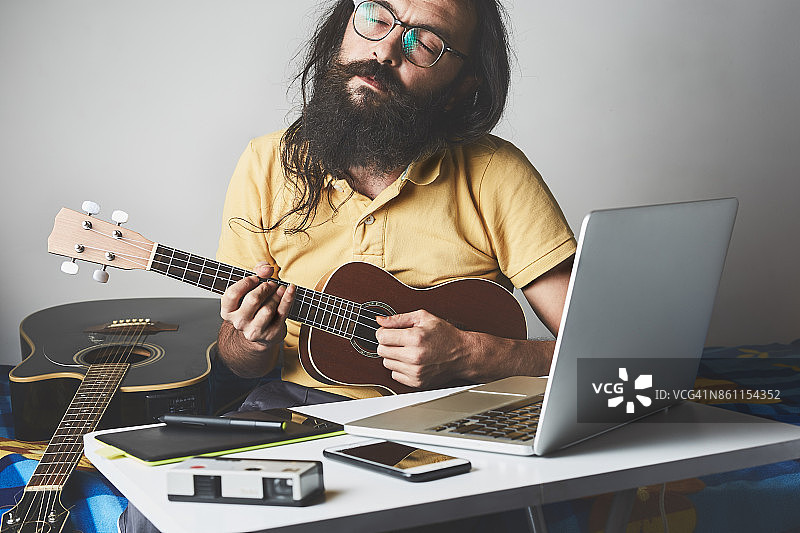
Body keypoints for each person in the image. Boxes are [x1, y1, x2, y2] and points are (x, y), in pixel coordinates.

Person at [216, 0, 576, 402]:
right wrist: (253, 340)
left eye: (424, 42)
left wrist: (474, 355)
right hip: (303, 421)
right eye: (375, 17)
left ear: (461, 86)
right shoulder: (265, 162)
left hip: (455, 427)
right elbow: (240, 360)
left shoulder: (496, 171)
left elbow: (605, 353)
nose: (384, 51)